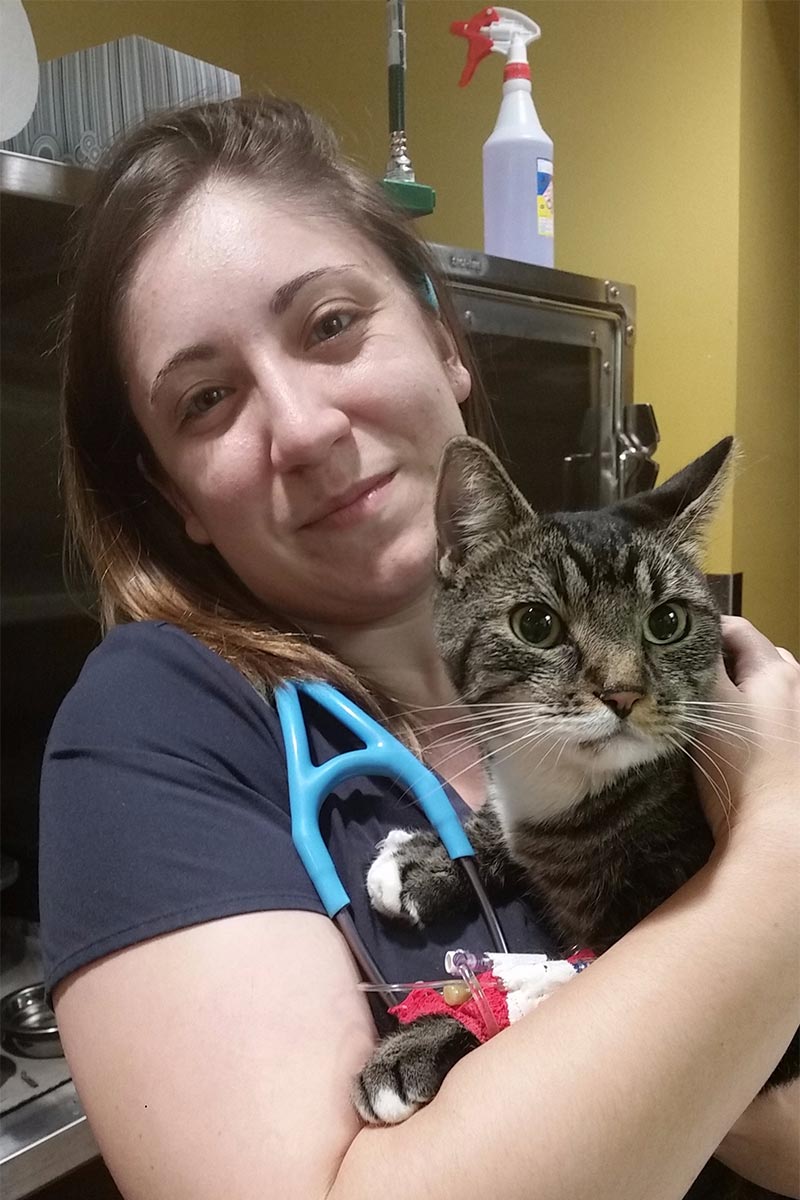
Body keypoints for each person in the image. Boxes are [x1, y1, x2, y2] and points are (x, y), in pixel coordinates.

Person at [39, 96, 798, 1200]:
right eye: (206, 399)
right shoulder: (153, 728)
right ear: (175, 494)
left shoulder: (683, 666)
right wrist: (778, 863)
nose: (304, 429)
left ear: (443, 341)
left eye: (329, 325)